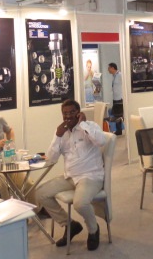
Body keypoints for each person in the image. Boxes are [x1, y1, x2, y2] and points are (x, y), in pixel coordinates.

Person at [36, 99, 108, 251]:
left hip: (90, 176)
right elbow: (51, 159)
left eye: (72, 112)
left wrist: (83, 124)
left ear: (79, 113)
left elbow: (101, 141)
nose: (68, 116)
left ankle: (93, 230)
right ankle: (70, 225)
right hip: (70, 177)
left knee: (80, 204)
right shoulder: (61, 133)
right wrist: (57, 135)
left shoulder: (90, 126)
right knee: (40, 193)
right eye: (65, 113)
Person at [108, 63, 124, 135]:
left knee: (119, 115)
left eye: (109, 68)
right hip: (115, 98)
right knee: (116, 115)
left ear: (112, 68)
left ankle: (119, 130)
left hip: (119, 98)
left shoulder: (120, 75)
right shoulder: (114, 76)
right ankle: (119, 130)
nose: (108, 70)